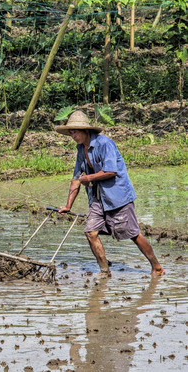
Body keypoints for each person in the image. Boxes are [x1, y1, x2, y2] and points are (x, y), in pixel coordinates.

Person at [55, 110, 165, 277]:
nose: (73, 135)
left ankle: (157, 267)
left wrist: (88, 177)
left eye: (75, 131)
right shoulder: (80, 149)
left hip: (117, 197)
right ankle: (105, 271)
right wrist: (68, 205)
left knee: (133, 234)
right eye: (71, 132)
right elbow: (76, 179)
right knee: (90, 233)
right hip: (97, 198)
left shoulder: (105, 144)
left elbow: (111, 171)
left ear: (86, 131)